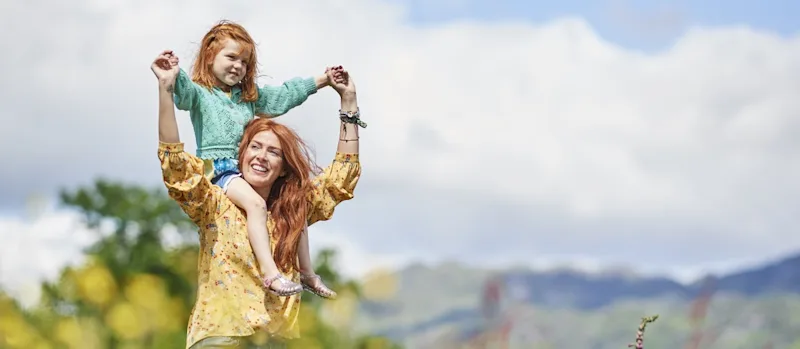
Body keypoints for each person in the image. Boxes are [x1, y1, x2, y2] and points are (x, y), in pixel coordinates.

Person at [152, 50, 363, 348]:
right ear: (241, 153)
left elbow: (343, 175)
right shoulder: (216, 203)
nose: (261, 157)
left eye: (273, 152)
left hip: (277, 340)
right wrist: (165, 90)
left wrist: (349, 101)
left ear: (283, 167)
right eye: (255, 147)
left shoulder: (292, 210)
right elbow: (175, 165)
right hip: (221, 336)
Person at [163, 20, 342, 297]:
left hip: (242, 172)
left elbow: (282, 97)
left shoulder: (247, 98)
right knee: (257, 205)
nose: (238, 66)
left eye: (244, 62)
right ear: (210, 57)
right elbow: (183, 95)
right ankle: (271, 275)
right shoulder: (201, 94)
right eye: (231, 57)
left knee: (296, 205)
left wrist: (323, 80)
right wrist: (173, 73)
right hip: (219, 171)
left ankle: (307, 273)